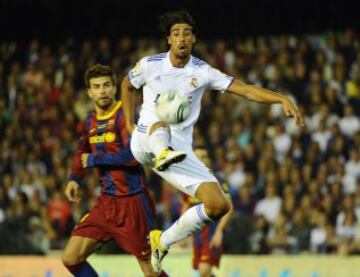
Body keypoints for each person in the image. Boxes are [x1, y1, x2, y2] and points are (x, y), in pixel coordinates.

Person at [121, 9, 304, 273]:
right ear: (168, 40)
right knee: (161, 122)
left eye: (186, 33)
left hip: (179, 150)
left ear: (194, 38)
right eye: (175, 33)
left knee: (219, 204)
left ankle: (163, 241)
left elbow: (245, 90)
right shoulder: (150, 64)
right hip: (146, 140)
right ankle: (162, 151)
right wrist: (128, 123)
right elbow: (127, 85)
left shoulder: (203, 72)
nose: (181, 38)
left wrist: (281, 98)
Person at [62, 64, 167, 277]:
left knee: (151, 271)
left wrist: (94, 159)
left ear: (114, 88)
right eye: (97, 87)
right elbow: (81, 150)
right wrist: (74, 178)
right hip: (106, 204)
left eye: (107, 85)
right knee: (71, 258)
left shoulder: (125, 116)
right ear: (89, 92)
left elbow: (133, 155)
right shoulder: (90, 121)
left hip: (133, 203)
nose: (102, 91)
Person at [181, 147, 233, 277]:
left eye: (203, 156)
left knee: (204, 271)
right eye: (196, 157)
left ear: (209, 160)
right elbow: (185, 207)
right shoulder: (187, 182)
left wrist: (219, 231)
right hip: (197, 235)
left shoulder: (218, 181)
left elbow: (229, 207)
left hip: (211, 233)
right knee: (202, 271)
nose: (200, 160)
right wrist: (182, 232)